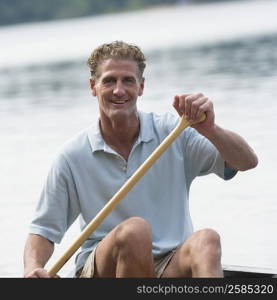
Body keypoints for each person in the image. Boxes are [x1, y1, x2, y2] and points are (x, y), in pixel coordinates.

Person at [23, 40, 258, 278]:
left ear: (141, 87)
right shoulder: (72, 156)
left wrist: (210, 129)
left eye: (128, 80)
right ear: (93, 86)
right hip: (103, 270)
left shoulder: (174, 132)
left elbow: (246, 162)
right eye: (109, 81)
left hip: (169, 264)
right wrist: (33, 269)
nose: (119, 90)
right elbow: (42, 231)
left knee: (207, 240)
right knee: (135, 232)